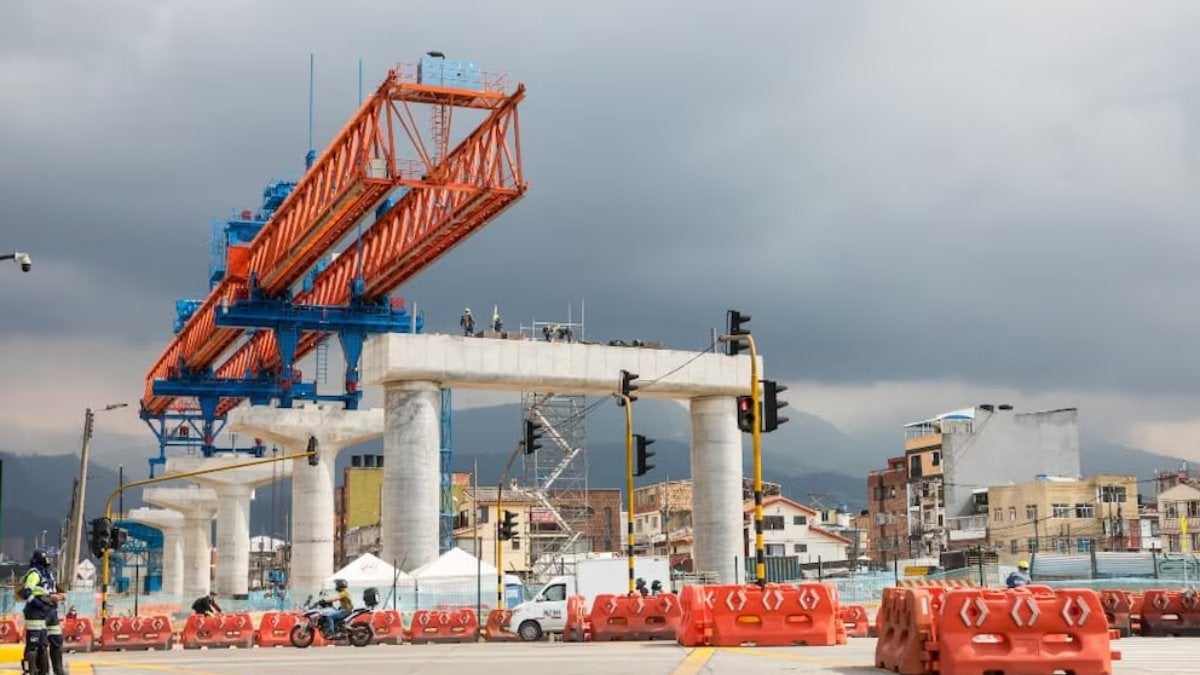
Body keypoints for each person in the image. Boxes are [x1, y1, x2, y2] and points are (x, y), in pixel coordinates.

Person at [20, 548, 65, 675]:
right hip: (37, 611)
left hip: (51, 611)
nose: (50, 560)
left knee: (56, 640)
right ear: (41, 558)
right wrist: (40, 604)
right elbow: (26, 592)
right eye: (48, 558)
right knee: (35, 644)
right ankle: (32, 671)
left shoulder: (49, 573)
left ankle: (58, 670)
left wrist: (60, 595)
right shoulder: (34, 574)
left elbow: (49, 589)